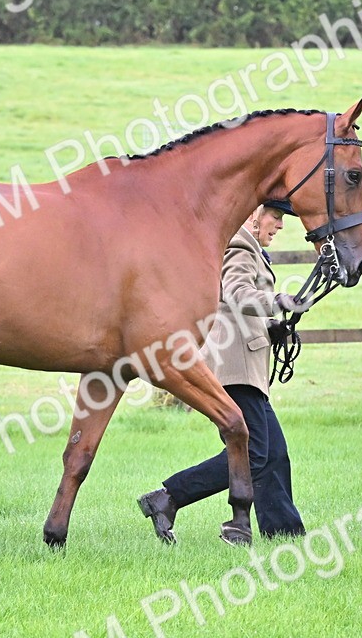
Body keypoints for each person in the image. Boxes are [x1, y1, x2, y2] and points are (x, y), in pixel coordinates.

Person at [137, 200, 306, 545]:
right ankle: (168, 498)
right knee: (253, 453)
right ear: (254, 214)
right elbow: (238, 292)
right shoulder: (240, 243)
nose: (280, 225)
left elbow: (236, 308)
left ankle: (284, 532)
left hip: (247, 366)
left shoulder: (251, 247)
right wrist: (279, 302)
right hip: (236, 368)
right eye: (275, 216)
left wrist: (271, 327)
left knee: (272, 452)